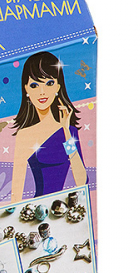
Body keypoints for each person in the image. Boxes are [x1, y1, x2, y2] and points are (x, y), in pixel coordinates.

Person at [11, 52, 87, 202]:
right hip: (38, 209)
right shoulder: (25, 135)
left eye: (49, 83)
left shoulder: (69, 131)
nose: (42, 92)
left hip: (65, 208)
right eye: (34, 85)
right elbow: (16, 193)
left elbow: (82, 180)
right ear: (26, 89)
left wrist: (66, 131)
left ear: (58, 86)